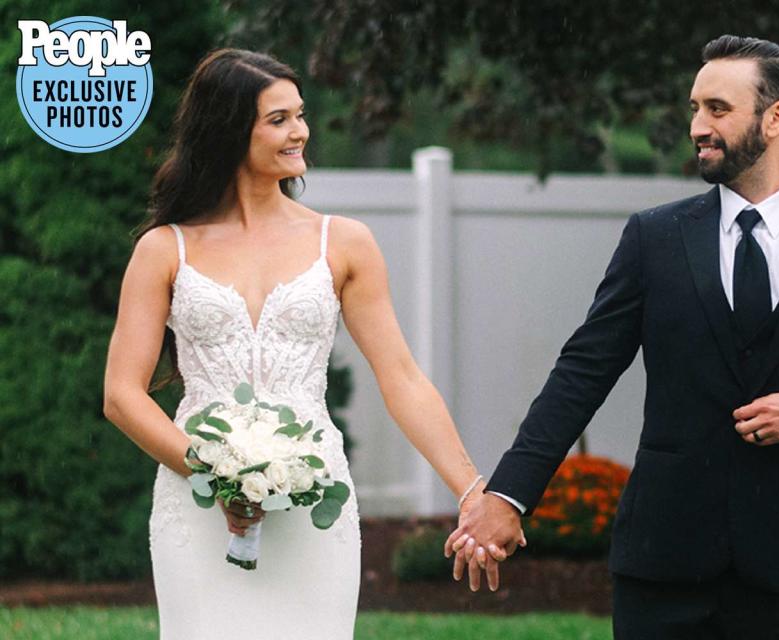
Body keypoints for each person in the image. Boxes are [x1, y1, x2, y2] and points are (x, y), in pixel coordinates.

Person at [446, 35, 779, 639]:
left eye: (718, 109)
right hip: (664, 564)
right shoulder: (655, 239)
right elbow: (583, 372)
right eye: (694, 108)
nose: (698, 125)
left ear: (777, 117)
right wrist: (509, 495)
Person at [102, 49, 495, 639]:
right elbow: (121, 395)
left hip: (316, 499)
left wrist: (471, 488)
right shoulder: (164, 249)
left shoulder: (344, 242)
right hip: (198, 504)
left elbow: (403, 379)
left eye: (300, 115)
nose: (300, 132)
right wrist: (213, 475)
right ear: (232, 130)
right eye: (279, 119)